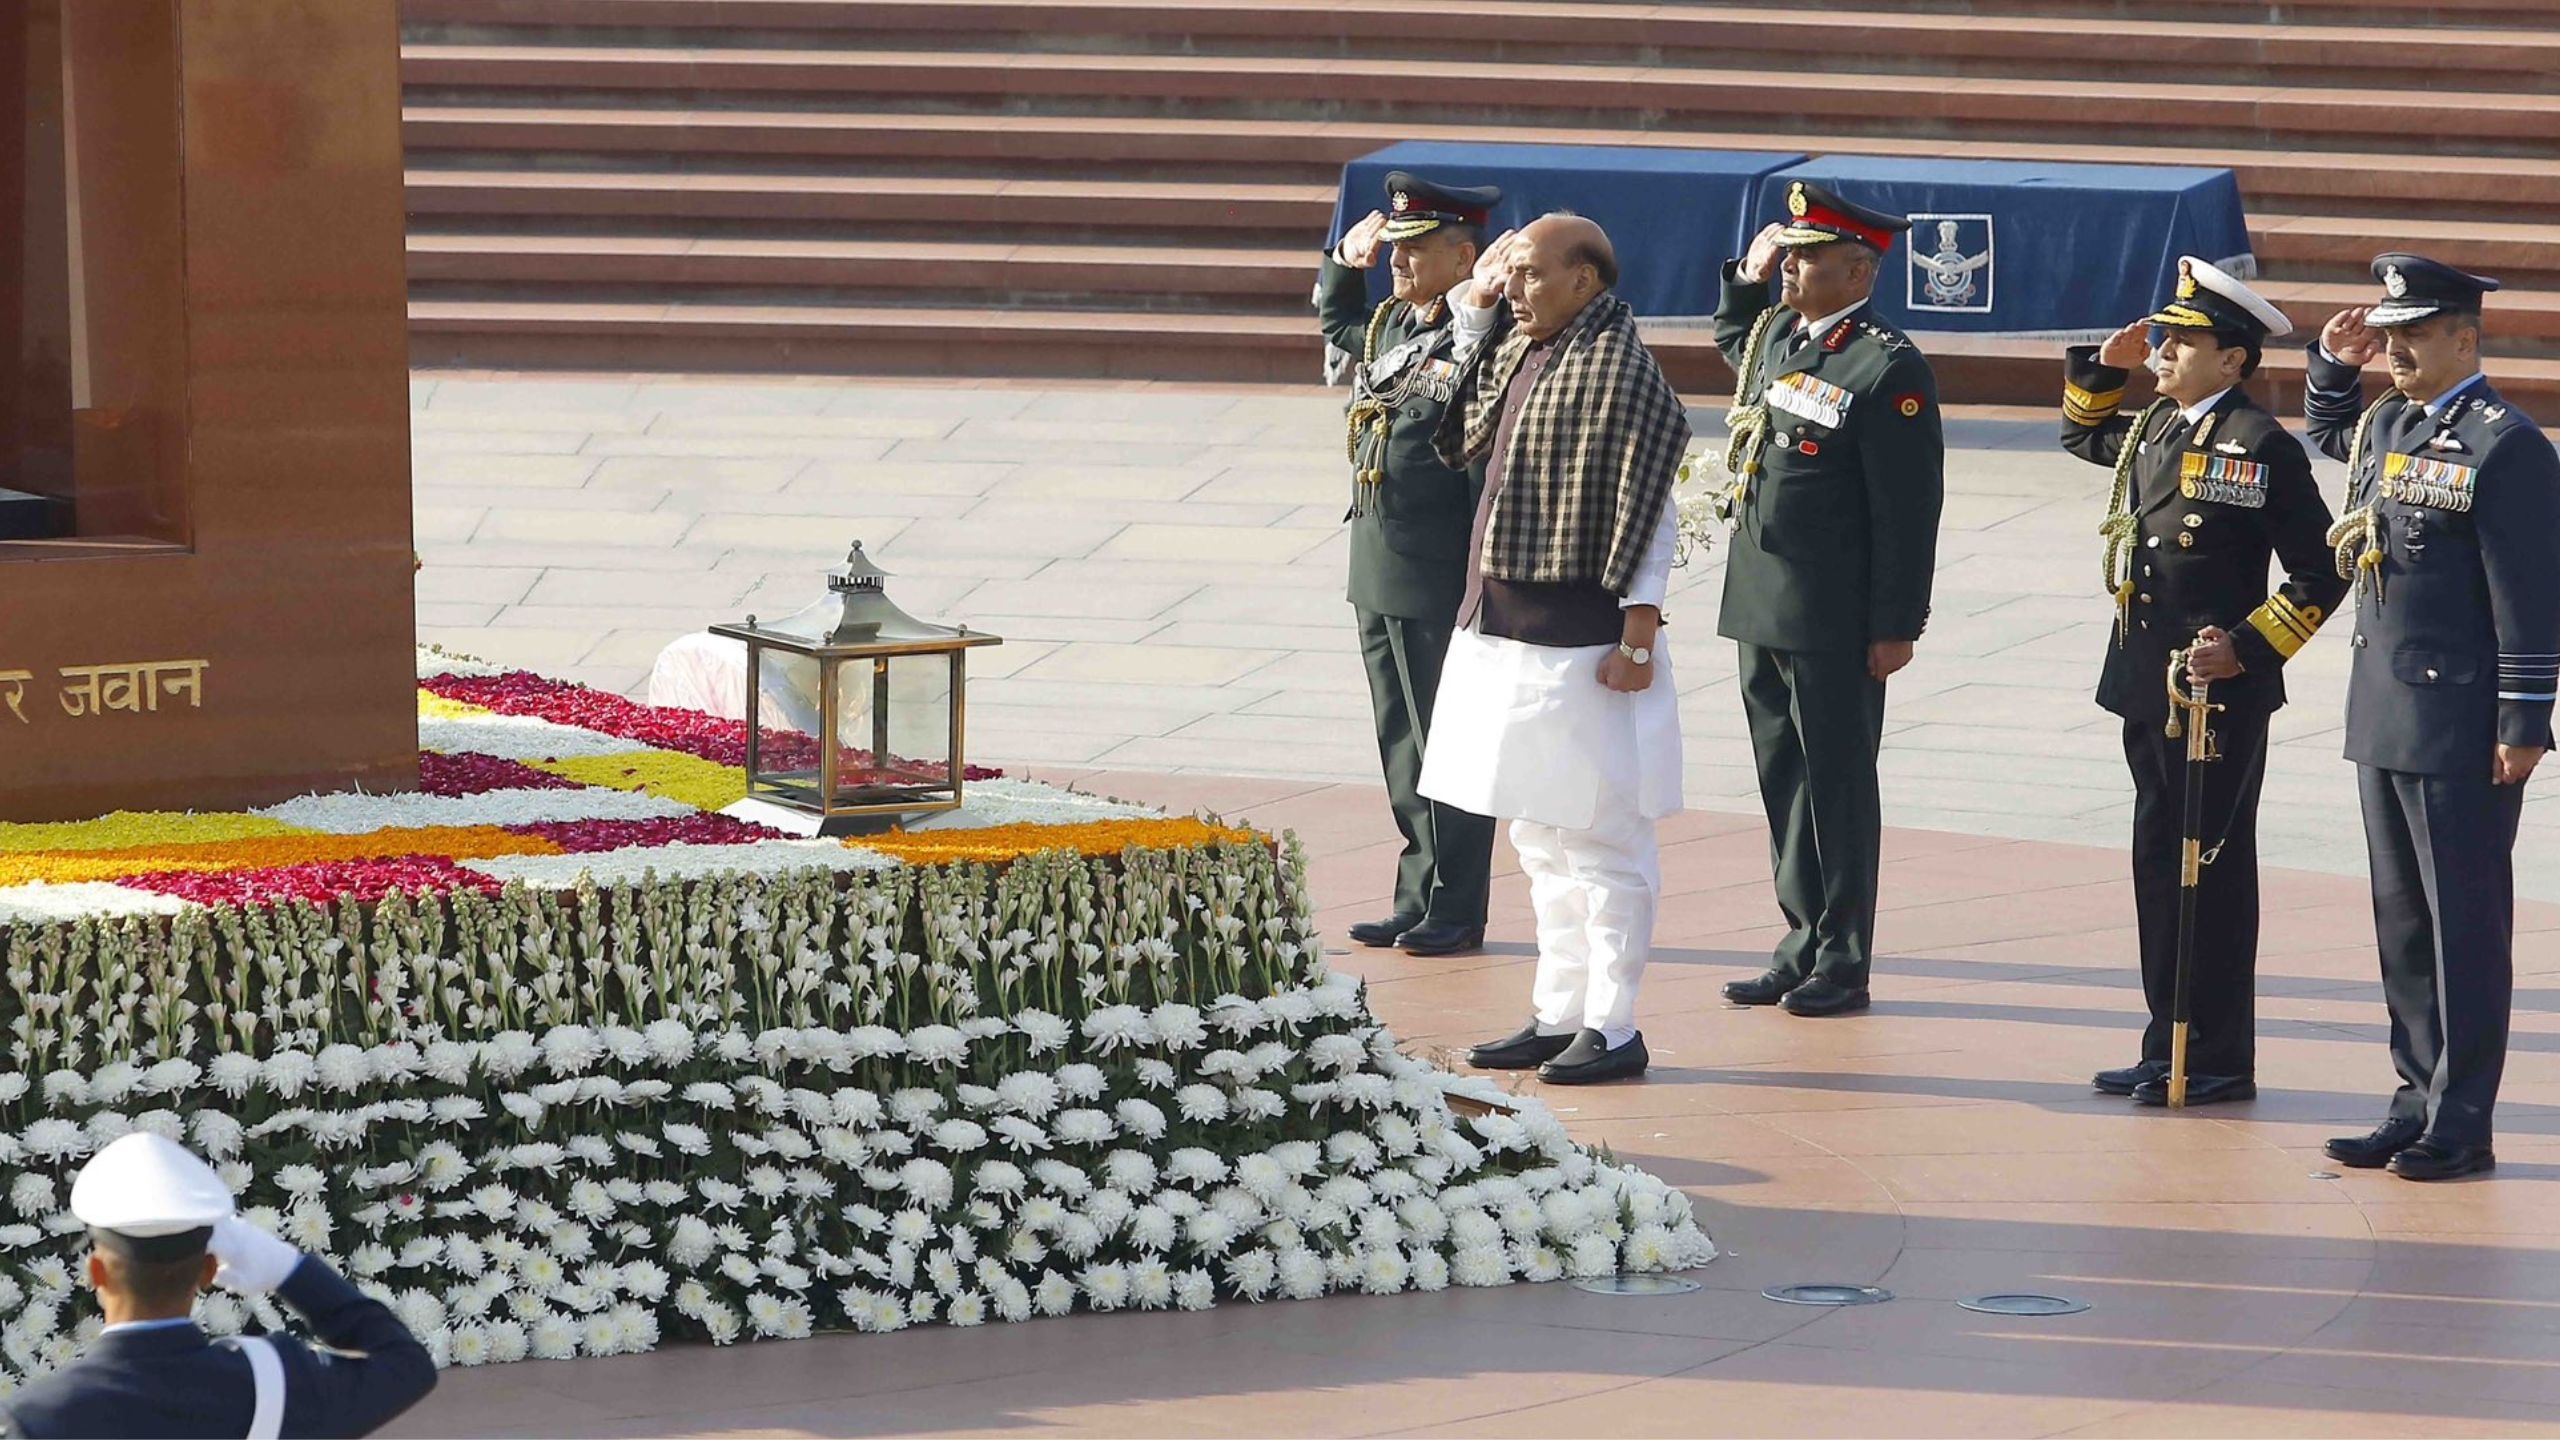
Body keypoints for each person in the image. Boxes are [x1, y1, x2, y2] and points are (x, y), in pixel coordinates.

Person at [2061, 257, 2346, 1107]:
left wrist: (2250, 652)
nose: (2163, 353)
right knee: (2159, 864)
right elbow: (2086, 438)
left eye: (2182, 343)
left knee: (2210, 870)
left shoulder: (2260, 445)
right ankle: (2166, 1039)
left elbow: (2319, 572)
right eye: (2163, 340)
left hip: (2216, 697)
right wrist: (2098, 372)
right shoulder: (2157, 425)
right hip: (2151, 684)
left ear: (2233, 360)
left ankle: (2217, 1055)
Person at [2305, 253, 2560, 1181]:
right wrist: (2332, 369)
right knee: (2403, 924)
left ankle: (2463, 1121)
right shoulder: (2394, 421)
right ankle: (2413, 1099)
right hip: (2385, 711)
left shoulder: (2507, 443)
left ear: (2465, 337)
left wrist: (2525, 717)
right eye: (2390, 333)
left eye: (2413, 334)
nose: (2397, 349)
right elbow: (2335, 438)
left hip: (2462, 722)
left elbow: (2529, 594)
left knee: (2462, 926)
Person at [1418, 212, 1688, 1086]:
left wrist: (1638, 638)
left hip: (1585, 643)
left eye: (1534, 274)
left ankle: (1614, 1025)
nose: (1518, 288)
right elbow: (1455, 432)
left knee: (1603, 842)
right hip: (1501, 627)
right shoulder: (1526, 348)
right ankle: (1557, 1010)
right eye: (1516, 273)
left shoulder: (1622, 370)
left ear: (1587, 279)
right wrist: (1477, 309)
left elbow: (1652, 513)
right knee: (1536, 836)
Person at [1713, 181, 1945, 1018]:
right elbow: (1732, 335)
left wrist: (1896, 624)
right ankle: (1799, 939)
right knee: (1784, 776)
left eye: (1808, 259)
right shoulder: (1779, 332)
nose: (1792, 270)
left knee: (1838, 784)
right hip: (1762, 599)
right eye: (1792, 255)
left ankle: (1844, 959)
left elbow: (1909, 510)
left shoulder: (1886, 365)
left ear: (1857, 271)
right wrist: (1748, 273)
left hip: (1835, 613)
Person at [1316, 172, 1505, 958]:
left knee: (1447, 743)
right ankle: (1416, 891)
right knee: (1402, 738)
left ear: (1465, 255)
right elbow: (1340, 321)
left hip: (1439, 571)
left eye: (1416, 248)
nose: (1398, 262)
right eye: (1395, 246)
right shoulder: (1392, 321)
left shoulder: (1484, 337)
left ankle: (1457, 903)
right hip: (1380, 560)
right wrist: (1343, 262)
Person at [0, 1133, 436, 1438]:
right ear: (209, 1271)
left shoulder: (34, 1419)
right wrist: (292, 1270)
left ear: (97, 1273)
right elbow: (406, 1366)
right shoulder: (278, 1382)